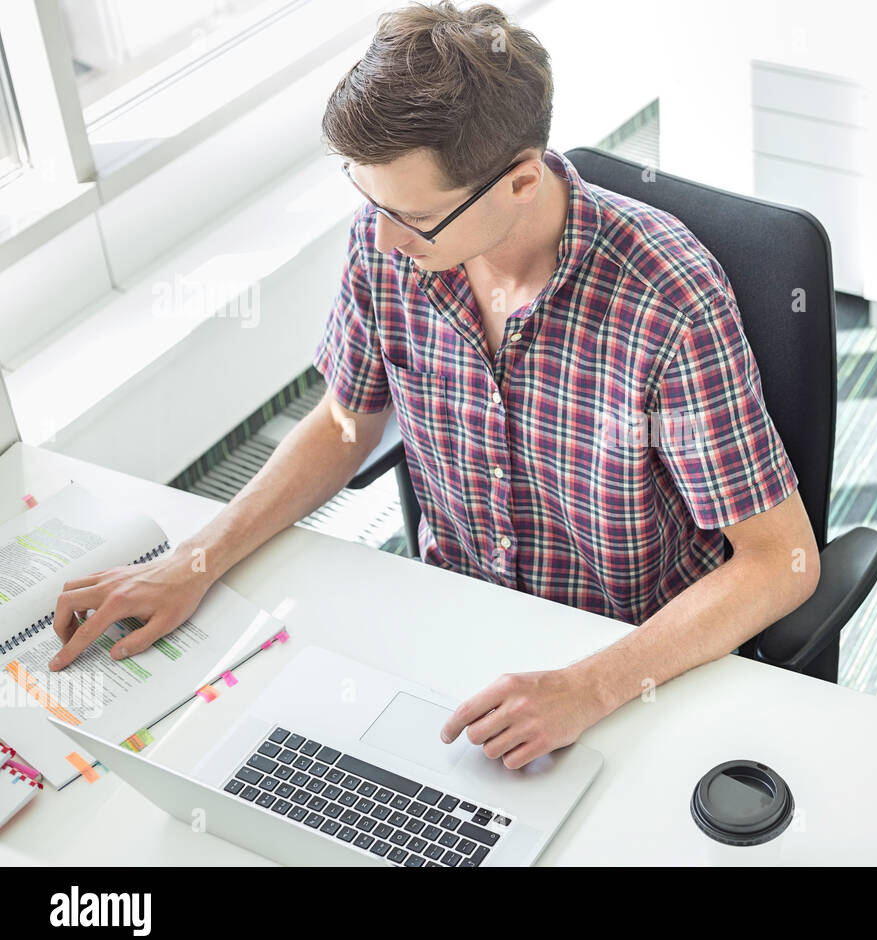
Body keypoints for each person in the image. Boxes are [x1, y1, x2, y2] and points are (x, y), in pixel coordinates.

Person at [51, 1, 820, 770]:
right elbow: (344, 423)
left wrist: (590, 687)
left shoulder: (668, 300)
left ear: (520, 184)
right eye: (371, 203)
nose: (381, 238)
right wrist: (195, 559)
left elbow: (778, 561)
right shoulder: (390, 245)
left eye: (413, 217)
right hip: (450, 628)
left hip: (627, 663)